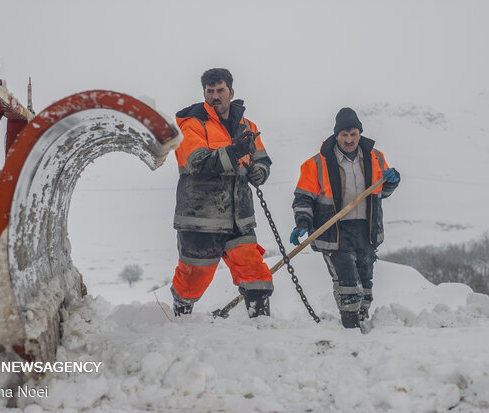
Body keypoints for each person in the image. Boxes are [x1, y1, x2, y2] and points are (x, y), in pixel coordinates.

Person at [170, 68, 274, 318]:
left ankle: (263, 328)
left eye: (220, 90)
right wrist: (235, 152)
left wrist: (258, 172)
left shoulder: (247, 126)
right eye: (210, 91)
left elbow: (262, 161)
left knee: (255, 272)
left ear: (231, 92)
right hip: (201, 219)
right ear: (204, 93)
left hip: (239, 217)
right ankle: (180, 318)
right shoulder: (191, 124)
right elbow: (197, 164)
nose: (215, 96)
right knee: (193, 279)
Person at [290, 107, 400, 328]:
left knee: (365, 281)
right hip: (334, 232)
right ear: (336, 135)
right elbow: (303, 198)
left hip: (365, 229)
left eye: (353, 134)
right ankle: (350, 327)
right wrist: (303, 222)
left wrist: (392, 180)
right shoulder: (317, 163)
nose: (349, 140)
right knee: (347, 281)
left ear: (359, 134)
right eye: (344, 135)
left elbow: (382, 192)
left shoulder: (375, 157)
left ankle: (362, 319)